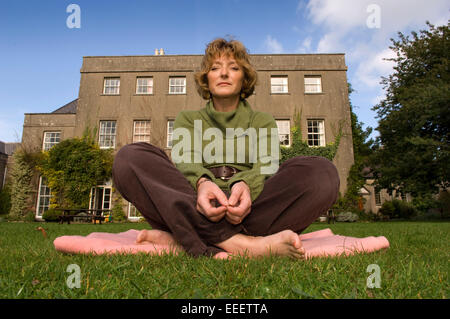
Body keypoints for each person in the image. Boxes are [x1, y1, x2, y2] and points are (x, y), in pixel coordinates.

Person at [112, 38, 340, 259]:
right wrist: (202, 183)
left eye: (233, 68)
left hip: (251, 208)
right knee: (129, 158)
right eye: (215, 68)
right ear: (206, 78)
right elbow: (185, 160)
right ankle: (243, 244)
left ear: (244, 78)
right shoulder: (188, 119)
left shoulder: (263, 120)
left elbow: (266, 164)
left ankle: (183, 236)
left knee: (323, 173)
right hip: (194, 201)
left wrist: (246, 185)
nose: (223, 73)